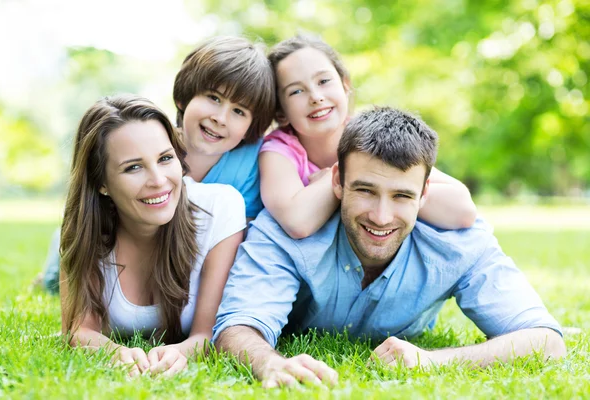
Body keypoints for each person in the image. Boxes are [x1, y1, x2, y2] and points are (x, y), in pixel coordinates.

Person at [213, 107, 565, 388]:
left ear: (425, 194)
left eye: (402, 196)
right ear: (337, 181)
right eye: (365, 190)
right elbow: (237, 327)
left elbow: (545, 341)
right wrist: (270, 362)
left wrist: (431, 361)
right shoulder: (285, 229)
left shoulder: (459, 242)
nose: (381, 217)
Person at [41, 36, 276, 293]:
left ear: (251, 128)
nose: (220, 118)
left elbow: (242, 236)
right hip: (126, 242)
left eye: (239, 111)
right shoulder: (153, 142)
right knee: (59, 276)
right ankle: (50, 267)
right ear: (183, 99)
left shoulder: (250, 163)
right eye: (214, 97)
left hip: (192, 260)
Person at [61, 95, 246, 377]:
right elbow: (79, 329)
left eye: (165, 158)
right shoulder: (86, 228)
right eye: (133, 167)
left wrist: (180, 353)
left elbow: (208, 334)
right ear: (101, 183)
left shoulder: (220, 209)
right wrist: (115, 353)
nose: (158, 180)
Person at [259, 35, 477, 239]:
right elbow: (298, 222)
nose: (316, 97)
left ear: (345, 86)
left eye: (324, 81)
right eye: (296, 91)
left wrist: (350, 185)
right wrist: (340, 180)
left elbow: (463, 211)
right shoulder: (278, 151)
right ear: (280, 112)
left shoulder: (371, 134)